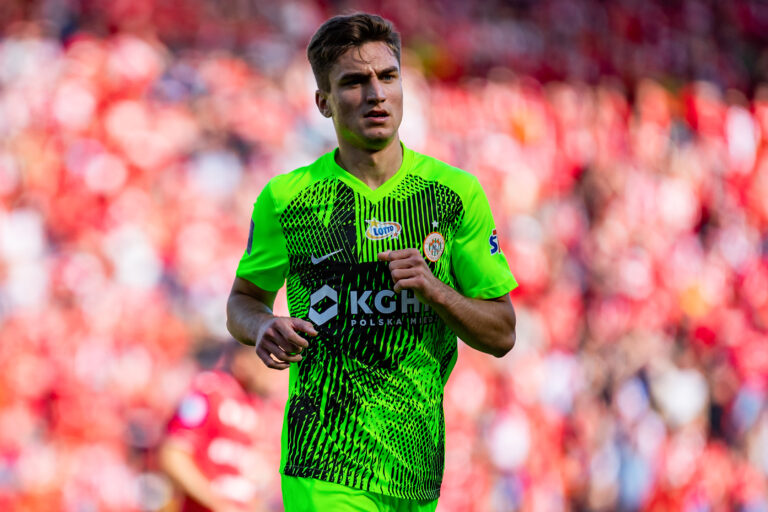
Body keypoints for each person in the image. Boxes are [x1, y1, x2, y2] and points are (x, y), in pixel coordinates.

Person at [226, 12, 517, 512]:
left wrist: (435, 290)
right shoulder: (287, 199)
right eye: (355, 82)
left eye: (388, 77)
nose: (376, 94)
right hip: (323, 460)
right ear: (324, 101)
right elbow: (243, 301)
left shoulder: (454, 195)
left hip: (416, 469)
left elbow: (502, 333)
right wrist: (261, 327)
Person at [159, 342, 284, 512]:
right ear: (242, 360)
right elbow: (173, 455)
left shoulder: (262, 409)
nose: (273, 370)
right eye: (267, 361)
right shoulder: (211, 391)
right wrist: (217, 503)